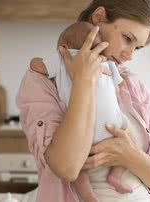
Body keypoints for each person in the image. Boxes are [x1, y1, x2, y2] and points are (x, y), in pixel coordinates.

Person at [16, 0, 150, 201]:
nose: (129, 55)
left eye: (137, 48)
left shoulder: (132, 86)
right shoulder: (45, 81)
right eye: (127, 38)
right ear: (99, 17)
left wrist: (129, 155)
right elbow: (67, 168)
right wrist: (83, 82)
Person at [33, 21, 138, 202]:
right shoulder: (107, 64)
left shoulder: (62, 60)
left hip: (84, 129)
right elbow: (119, 83)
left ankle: (88, 197)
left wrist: (39, 60)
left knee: (79, 165)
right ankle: (115, 175)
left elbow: (36, 66)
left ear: (63, 47)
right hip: (112, 126)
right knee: (129, 144)